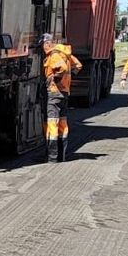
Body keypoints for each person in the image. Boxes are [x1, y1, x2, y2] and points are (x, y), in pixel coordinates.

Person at [42, 34, 82, 162]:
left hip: (54, 93)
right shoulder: (65, 54)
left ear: (48, 43)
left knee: (52, 123)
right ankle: (61, 156)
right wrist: (66, 81)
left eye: (42, 45)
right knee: (62, 123)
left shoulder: (54, 55)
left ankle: (52, 157)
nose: (42, 48)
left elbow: (63, 68)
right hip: (64, 92)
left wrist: (55, 78)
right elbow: (78, 65)